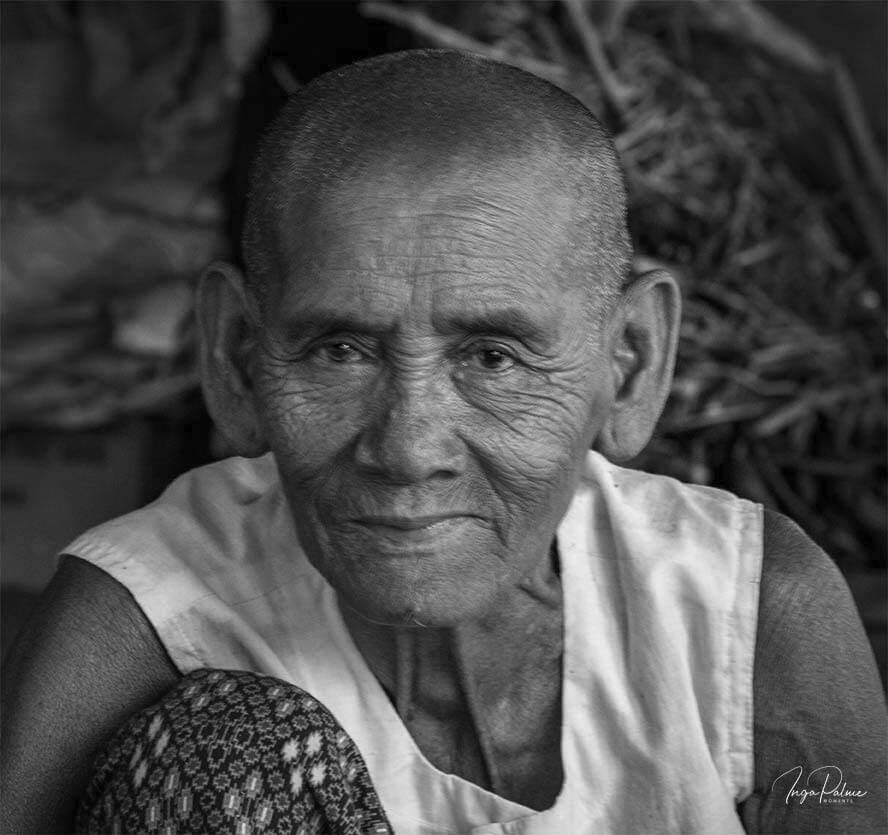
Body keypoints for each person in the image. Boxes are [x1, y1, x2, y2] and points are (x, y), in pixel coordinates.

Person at [1, 49, 885, 835]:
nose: (410, 445)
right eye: (341, 350)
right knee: (223, 754)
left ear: (633, 361)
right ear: (236, 358)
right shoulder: (145, 619)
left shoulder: (746, 615)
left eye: (493, 357)